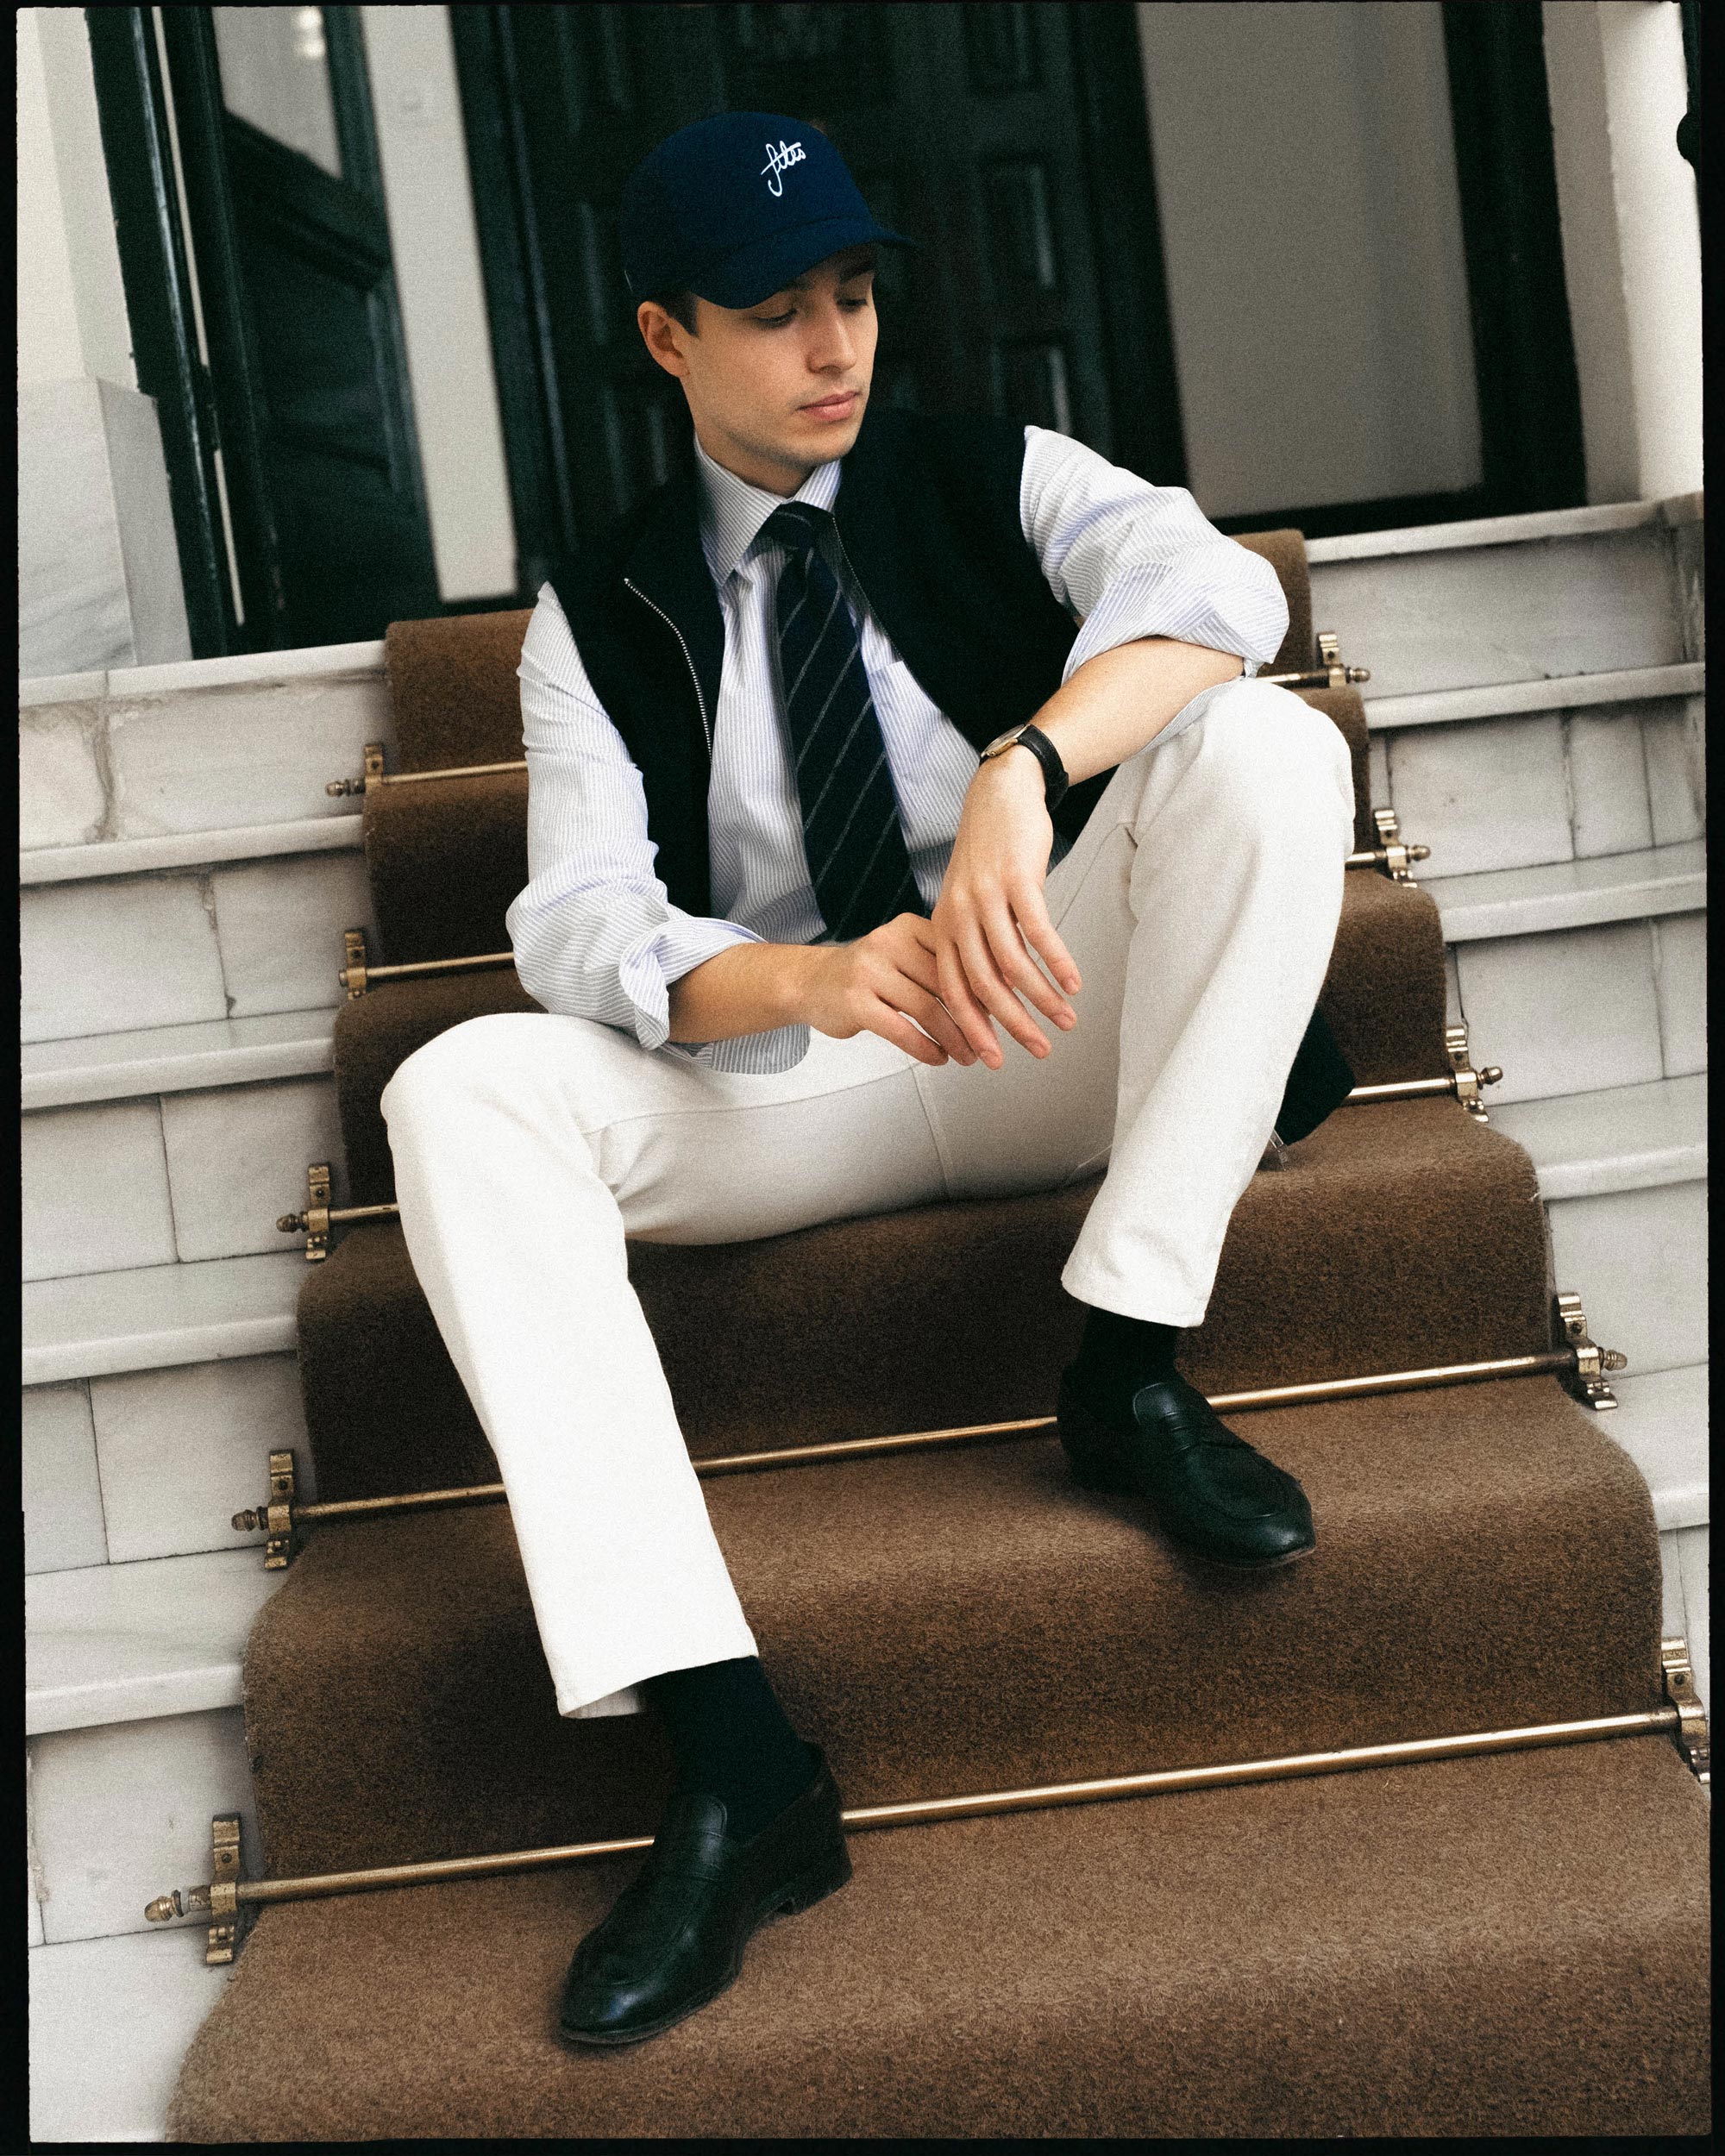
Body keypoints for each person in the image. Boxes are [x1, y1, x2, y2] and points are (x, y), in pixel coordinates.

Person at [379, 110, 1357, 2049]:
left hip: (1049, 1020)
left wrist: (1027, 771)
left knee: (1266, 748)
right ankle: (737, 1760)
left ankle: (1126, 1363)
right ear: (667, 338)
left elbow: (1211, 588)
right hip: (805, 1067)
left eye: (853, 295)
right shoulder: (601, 608)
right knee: (461, 1092)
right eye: (774, 312)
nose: (834, 347)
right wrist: (812, 976)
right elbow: (578, 921)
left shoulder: (995, 472)